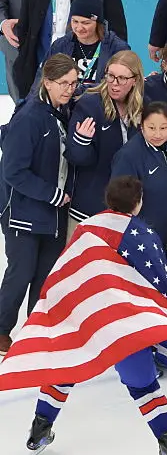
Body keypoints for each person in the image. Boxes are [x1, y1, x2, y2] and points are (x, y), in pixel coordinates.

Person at [15, 176, 167, 455]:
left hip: (87, 320)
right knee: (144, 387)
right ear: (138, 203)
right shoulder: (145, 236)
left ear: (108, 199)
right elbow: (159, 285)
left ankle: (39, 429)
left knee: (64, 369)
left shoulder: (86, 229)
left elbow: (65, 272)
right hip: (127, 326)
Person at [0, 54, 78, 355]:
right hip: (23, 211)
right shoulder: (30, 117)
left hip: (52, 214)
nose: (69, 89)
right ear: (46, 82)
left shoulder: (63, 111)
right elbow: (13, 171)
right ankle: (2, 329)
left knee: (46, 276)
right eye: (63, 84)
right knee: (21, 273)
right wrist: (52, 194)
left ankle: (34, 329)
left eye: (73, 83)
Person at [111, 102, 167, 268]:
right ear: (141, 125)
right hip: (141, 245)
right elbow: (119, 206)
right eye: (151, 128)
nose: (158, 134)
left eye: (163, 127)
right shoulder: (129, 156)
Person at [65, 50, 144, 229]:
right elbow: (76, 158)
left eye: (122, 78)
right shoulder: (90, 105)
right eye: (110, 76)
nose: (114, 84)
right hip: (89, 210)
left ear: (135, 80)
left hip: (126, 211)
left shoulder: (143, 107)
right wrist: (80, 141)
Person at [40, 0, 130, 95]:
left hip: (101, 107)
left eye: (86, 23)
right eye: (75, 21)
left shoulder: (117, 49)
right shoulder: (60, 46)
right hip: (66, 107)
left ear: (98, 23)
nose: (79, 28)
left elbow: (124, 88)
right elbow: (41, 83)